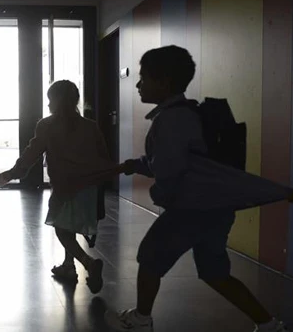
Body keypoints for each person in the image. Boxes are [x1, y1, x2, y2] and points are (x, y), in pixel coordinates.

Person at [105, 45, 288, 332]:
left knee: (150, 257)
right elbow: (178, 160)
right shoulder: (187, 113)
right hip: (215, 210)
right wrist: (135, 164)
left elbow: (168, 168)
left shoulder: (172, 119)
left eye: (143, 78)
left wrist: (149, 178)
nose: (138, 84)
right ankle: (268, 325)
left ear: (163, 82)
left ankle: (141, 319)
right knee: (215, 272)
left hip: (190, 209)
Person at [5, 80, 116, 293]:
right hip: (88, 186)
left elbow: (32, 152)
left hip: (64, 186)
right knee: (70, 225)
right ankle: (68, 266)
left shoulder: (47, 125)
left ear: (56, 100)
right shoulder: (90, 126)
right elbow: (104, 157)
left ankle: (88, 262)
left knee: (61, 229)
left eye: (50, 100)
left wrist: (16, 172)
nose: (48, 105)